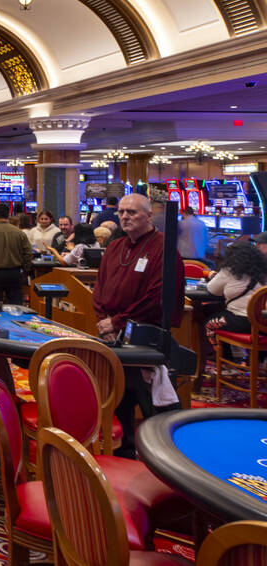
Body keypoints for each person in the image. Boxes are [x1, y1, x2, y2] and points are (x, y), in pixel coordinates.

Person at [93, 193, 184, 457]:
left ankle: (170, 459)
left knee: (156, 410)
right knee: (117, 399)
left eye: (132, 212)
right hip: (110, 337)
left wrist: (117, 323)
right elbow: (98, 290)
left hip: (146, 338)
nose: (124, 216)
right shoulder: (114, 247)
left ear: (149, 215)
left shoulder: (165, 250)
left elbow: (156, 298)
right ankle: (125, 452)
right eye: (121, 212)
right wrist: (103, 322)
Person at [202, 241, 267, 340]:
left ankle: (223, 354)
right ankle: (250, 354)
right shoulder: (263, 272)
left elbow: (212, 290)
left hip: (241, 322)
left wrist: (212, 277)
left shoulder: (230, 270)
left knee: (209, 324)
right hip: (263, 323)